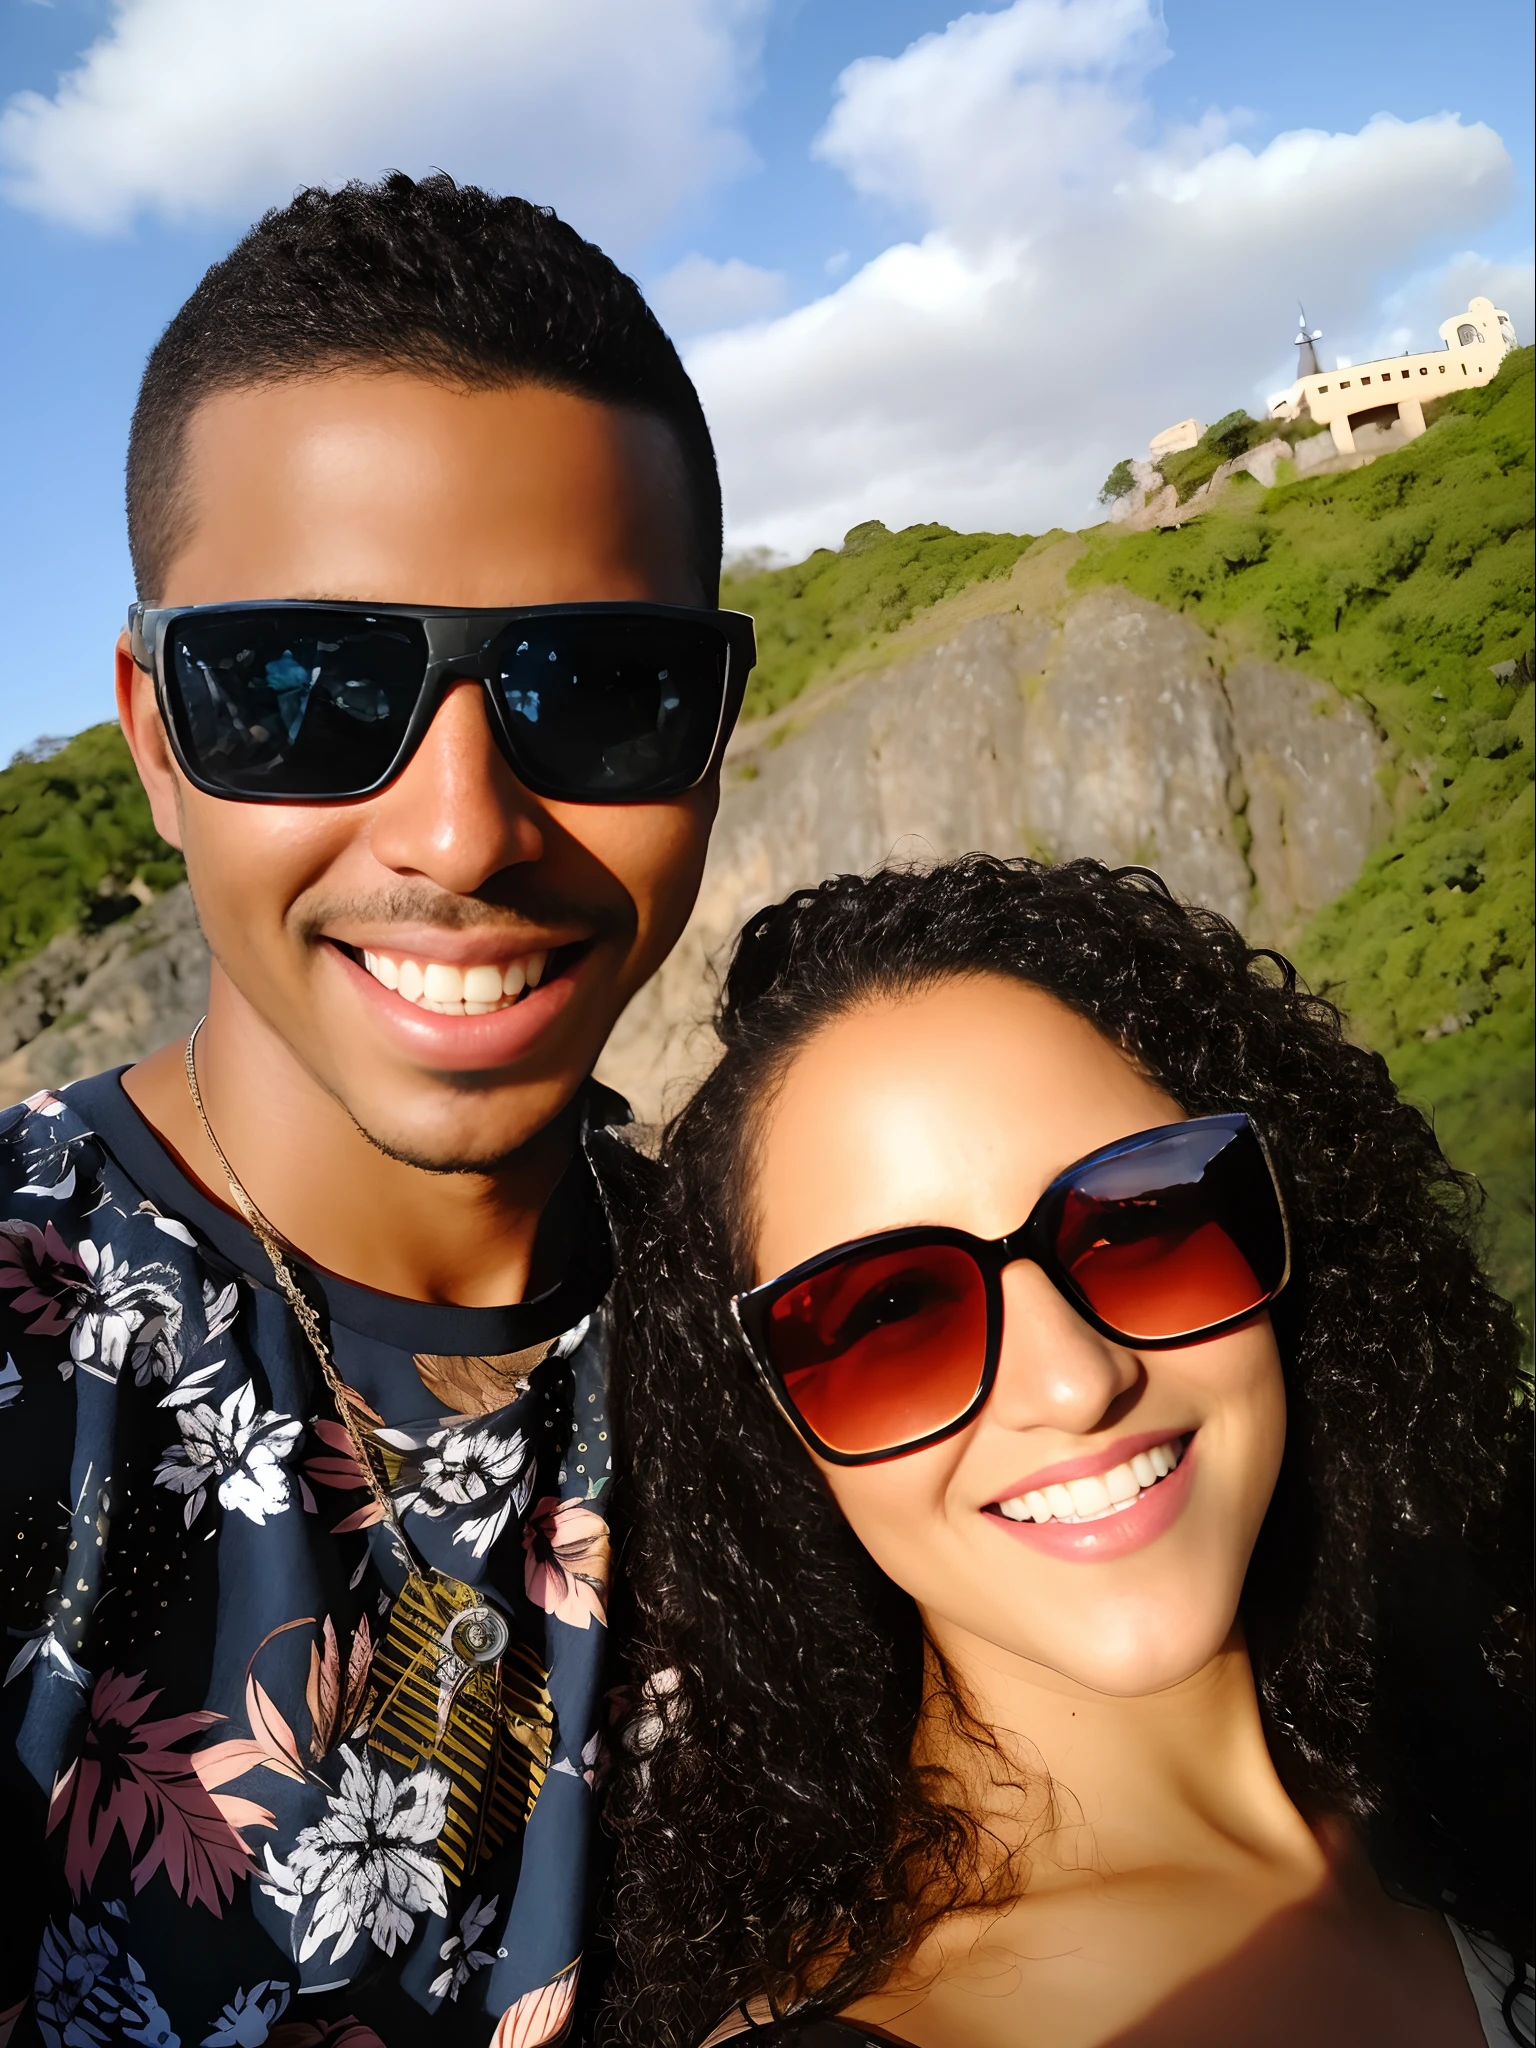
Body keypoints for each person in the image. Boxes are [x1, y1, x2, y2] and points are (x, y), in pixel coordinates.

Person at [0, 173, 751, 2044]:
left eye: (601, 687)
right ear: (157, 735)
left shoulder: (839, 1334)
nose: (462, 828)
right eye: (304, 690)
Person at [602, 856, 1533, 2048]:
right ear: (777, 1436)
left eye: (1143, 1220)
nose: (1076, 1379)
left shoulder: (1478, 1768)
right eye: (891, 1317)